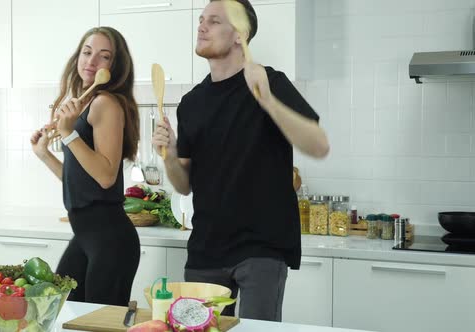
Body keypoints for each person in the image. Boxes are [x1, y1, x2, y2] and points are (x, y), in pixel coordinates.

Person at [152, 0, 330, 321]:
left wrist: (268, 102)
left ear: (239, 35)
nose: (201, 26)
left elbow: (318, 144)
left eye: (214, 21)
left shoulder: (271, 82)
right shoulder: (191, 103)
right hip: (206, 247)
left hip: (262, 247)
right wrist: (170, 154)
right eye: (201, 19)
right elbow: (184, 184)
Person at [30, 26, 141, 306]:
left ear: (115, 67)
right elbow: (79, 178)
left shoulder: (106, 104)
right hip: (86, 235)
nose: (91, 62)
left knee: (95, 323)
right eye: (87, 52)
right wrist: (44, 154)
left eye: (103, 56)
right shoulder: (85, 104)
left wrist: (69, 133)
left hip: (110, 239)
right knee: (61, 311)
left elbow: (105, 176)